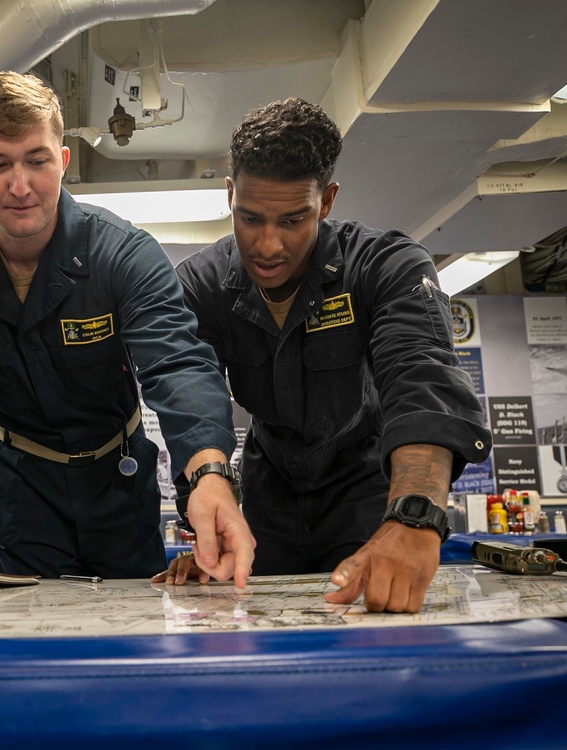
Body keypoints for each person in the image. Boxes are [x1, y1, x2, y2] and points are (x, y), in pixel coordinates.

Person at [0, 71, 254, 588]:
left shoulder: (122, 253)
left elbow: (177, 363)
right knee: (24, 637)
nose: (20, 185)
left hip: (117, 484)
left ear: (64, 160)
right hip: (20, 486)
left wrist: (210, 471)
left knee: (131, 636)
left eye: (37, 160)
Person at [168, 97, 492, 612]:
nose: (268, 246)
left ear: (327, 200)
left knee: (374, 619)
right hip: (265, 491)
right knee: (247, 617)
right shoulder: (200, 286)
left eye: (292, 220)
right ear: (229, 194)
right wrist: (209, 492)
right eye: (249, 218)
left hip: (364, 488)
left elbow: (420, 376)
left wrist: (413, 515)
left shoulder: (385, 265)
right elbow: (189, 390)